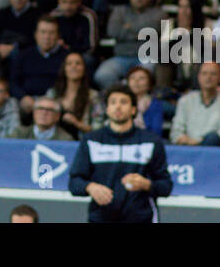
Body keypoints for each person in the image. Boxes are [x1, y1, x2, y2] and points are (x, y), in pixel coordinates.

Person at [69, 86, 173, 223]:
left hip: (140, 218)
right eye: (113, 102)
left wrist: (146, 184)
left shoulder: (151, 142)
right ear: (107, 109)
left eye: (123, 102)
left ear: (133, 109)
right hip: (101, 218)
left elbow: (166, 186)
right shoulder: (91, 140)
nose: (117, 106)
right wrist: (90, 187)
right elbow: (74, 182)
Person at [170, 62, 220, 146]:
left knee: (212, 138)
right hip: (187, 148)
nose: (208, 77)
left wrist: (197, 141)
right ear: (198, 77)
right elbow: (175, 133)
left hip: (213, 150)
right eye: (204, 73)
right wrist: (188, 140)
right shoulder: (185, 100)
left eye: (213, 74)